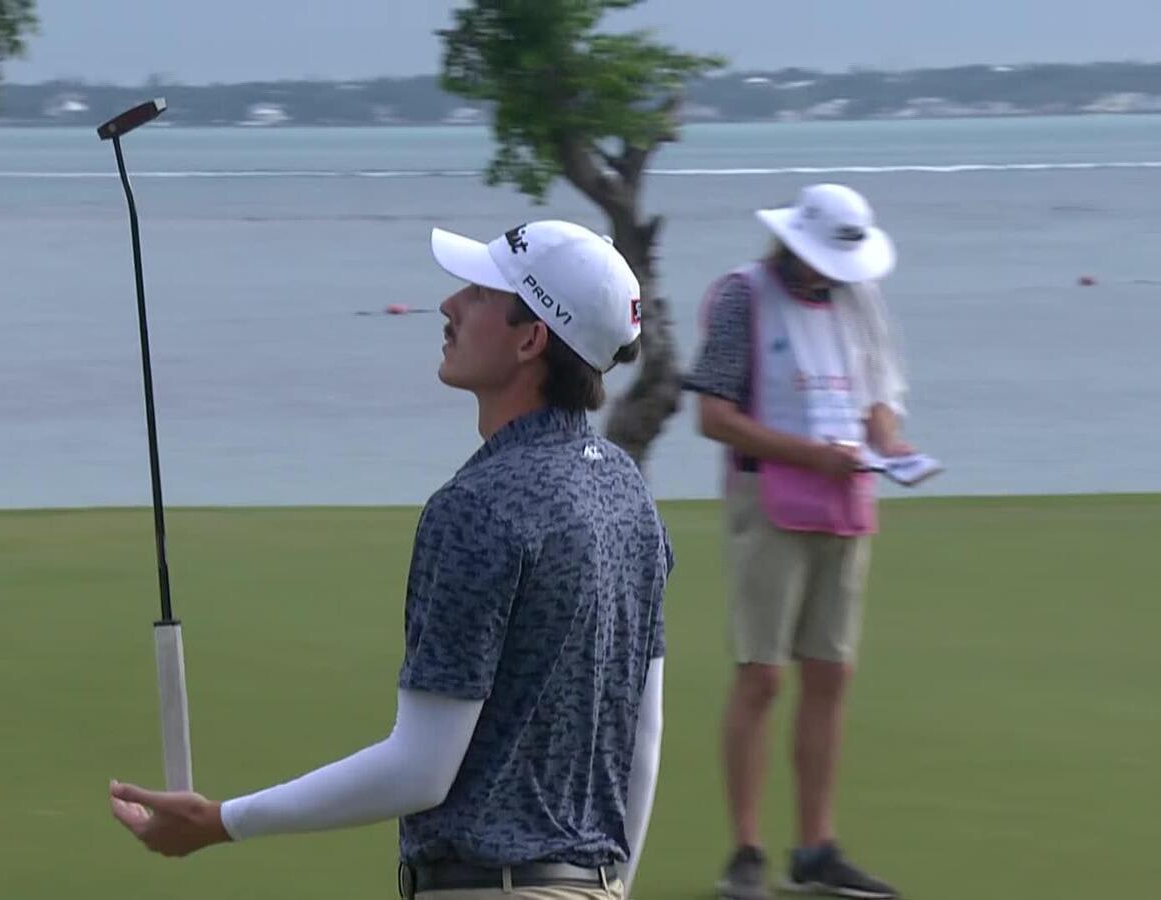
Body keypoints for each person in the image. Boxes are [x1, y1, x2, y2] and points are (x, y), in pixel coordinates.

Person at [110, 219, 674, 900]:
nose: (449, 306)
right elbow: (643, 733)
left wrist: (223, 821)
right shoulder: (625, 490)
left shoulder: (477, 507)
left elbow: (420, 770)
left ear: (531, 339)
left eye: (478, 293)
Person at [685, 184, 913, 900]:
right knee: (763, 674)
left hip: (846, 497)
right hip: (770, 501)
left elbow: (878, 397)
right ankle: (746, 851)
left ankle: (816, 848)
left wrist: (890, 446)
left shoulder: (860, 297)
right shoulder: (742, 298)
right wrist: (807, 454)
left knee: (830, 673)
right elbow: (714, 416)